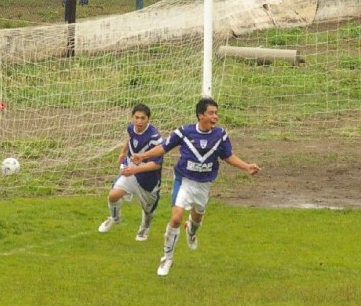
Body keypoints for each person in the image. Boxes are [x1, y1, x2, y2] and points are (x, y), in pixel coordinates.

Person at [132, 97, 260, 276]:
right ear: (201, 115)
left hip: (204, 185)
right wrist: (143, 156)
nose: (215, 116)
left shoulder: (220, 135)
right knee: (176, 218)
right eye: (211, 113)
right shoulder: (184, 132)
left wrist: (247, 166)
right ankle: (167, 258)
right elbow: (163, 148)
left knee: (196, 220)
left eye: (216, 113)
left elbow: (228, 156)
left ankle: (191, 231)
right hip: (184, 180)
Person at [98, 103, 164, 241]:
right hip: (130, 172)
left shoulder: (155, 138)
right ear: (132, 117)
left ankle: (144, 228)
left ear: (148, 119)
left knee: (148, 211)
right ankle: (115, 218)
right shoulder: (131, 128)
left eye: (143, 118)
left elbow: (157, 164)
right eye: (137, 117)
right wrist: (123, 153)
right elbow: (129, 138)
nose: (139, 121)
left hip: (148, 180)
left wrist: (135, 169)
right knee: (113, 195)